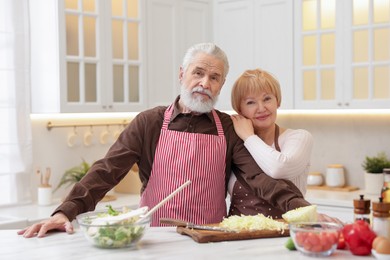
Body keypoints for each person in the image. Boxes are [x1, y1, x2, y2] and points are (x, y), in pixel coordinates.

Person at [18, 43, 312, 238]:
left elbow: (260, 178)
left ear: (221, 85)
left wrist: (301, 208)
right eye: (198, 73)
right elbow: (106, 171)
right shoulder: (150, 122)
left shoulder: (228, 126)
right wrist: (64, 211)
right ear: (182, 74)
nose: (204, 83)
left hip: (207, 237)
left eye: (214, 77)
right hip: (155, 239)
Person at [228, 68, 313, 219]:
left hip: (284, 236)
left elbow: (279, 168)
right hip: (237, 237)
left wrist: (248, 137)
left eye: (267, 99)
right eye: (250, 102)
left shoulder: (299, 137)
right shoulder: (235, 147)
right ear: (240, 110)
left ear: (277, 101)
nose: (261, 108)